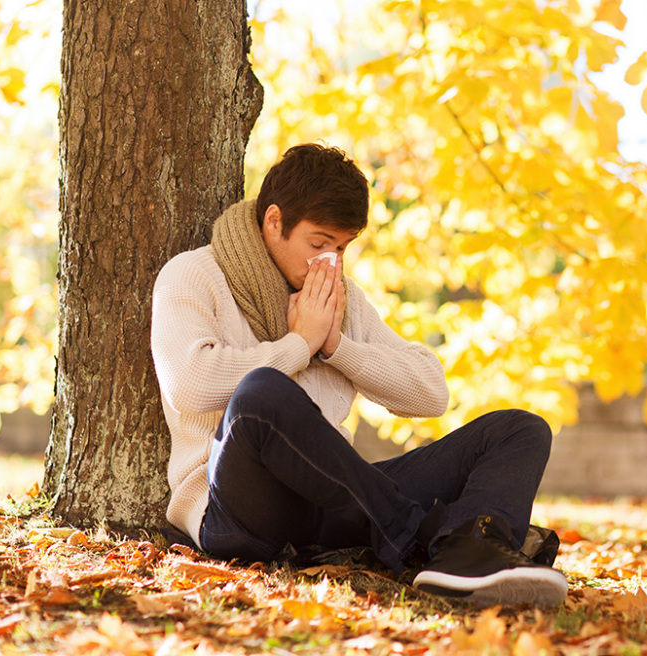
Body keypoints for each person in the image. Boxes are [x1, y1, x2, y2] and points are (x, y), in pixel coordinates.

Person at [150, 143, 567, 607]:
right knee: (262, 395)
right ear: (274, 222)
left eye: (342, 248)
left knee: (518, 430)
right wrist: (299, 346)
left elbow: (430, 393)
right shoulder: (193, 275)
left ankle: (469, 556)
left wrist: (336, 347)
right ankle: (432, 540)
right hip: (240, 510)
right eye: (319, 244)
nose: (331, 262)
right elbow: (188, 383)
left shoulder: (340, 299)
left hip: (338, 505)